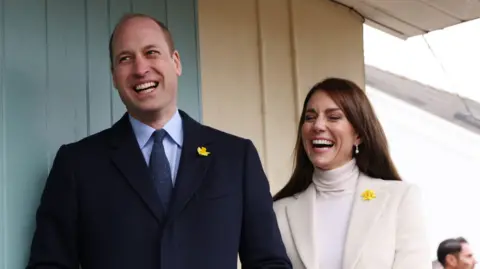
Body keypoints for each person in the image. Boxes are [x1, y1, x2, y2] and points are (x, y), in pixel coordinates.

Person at [26, 13, 291, 269]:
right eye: (125, 58)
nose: (141, 69)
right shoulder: (77, 164)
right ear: (114, 76)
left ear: (176, 62)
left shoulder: (236, 157)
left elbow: (268, 261)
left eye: (151, 52)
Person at [272, 78, 431, 269]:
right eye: (310, 117)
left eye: (333, 117)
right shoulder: (278, 211)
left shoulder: (400, 198)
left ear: (358, 134)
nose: (318, 126)